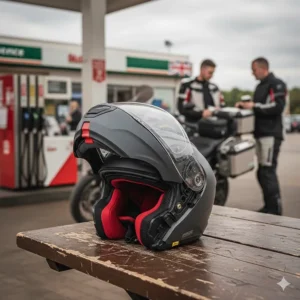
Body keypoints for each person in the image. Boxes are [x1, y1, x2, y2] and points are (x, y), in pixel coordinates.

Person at [236, 57, 287, 215]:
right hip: (260, 134)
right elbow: (259, 108)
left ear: (262, 68)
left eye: (254, 70)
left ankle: (275, 210)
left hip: (270, 135)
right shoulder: (260, 86)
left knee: (267, 171)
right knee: (262, 172)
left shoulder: (276, 83)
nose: (252, 73)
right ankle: (269, 207)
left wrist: (254, 106)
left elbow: (278, 106)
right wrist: (246, 106)